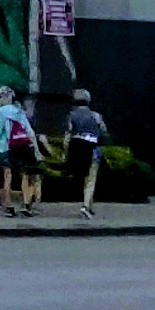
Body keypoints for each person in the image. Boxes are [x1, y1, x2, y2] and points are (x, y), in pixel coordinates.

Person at [0, 85, 43, 219]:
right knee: (25, 175)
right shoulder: (19, 111)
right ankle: (26, 204)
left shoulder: (1, 111)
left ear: (7, 97)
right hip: (23, 146)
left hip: (6, 147)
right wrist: (36, 150)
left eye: (0, 96)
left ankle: (9, 206)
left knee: (8, 176)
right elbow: (29, 131)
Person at [59, 86, 109, 218]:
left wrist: (65, 153)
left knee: (84, 177)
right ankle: (86, 206)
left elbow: (67, 136)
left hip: (76, 147)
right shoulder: (96, 116)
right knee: (91, 178)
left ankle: (89, 205)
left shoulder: (71, 115)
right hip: (92, 148)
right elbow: (104, 132)